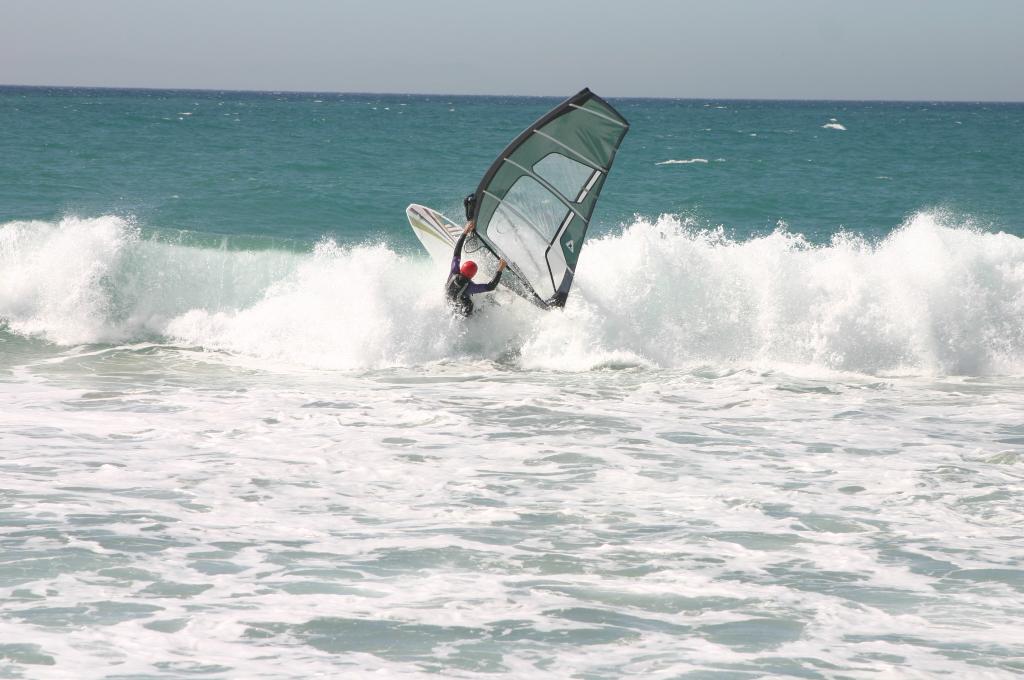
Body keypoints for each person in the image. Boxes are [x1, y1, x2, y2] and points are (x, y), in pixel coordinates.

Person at [445, 220, 507, 316]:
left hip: (448, 300)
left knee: (459, 298)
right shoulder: (470, 287)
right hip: (461, 311)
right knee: (472, 304)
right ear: (472, 276)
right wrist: (500, 269)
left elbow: (456, 253)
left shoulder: (454, 271)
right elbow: (491, 287)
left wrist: (465, 232)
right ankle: (474, 316)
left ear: (461, 269)